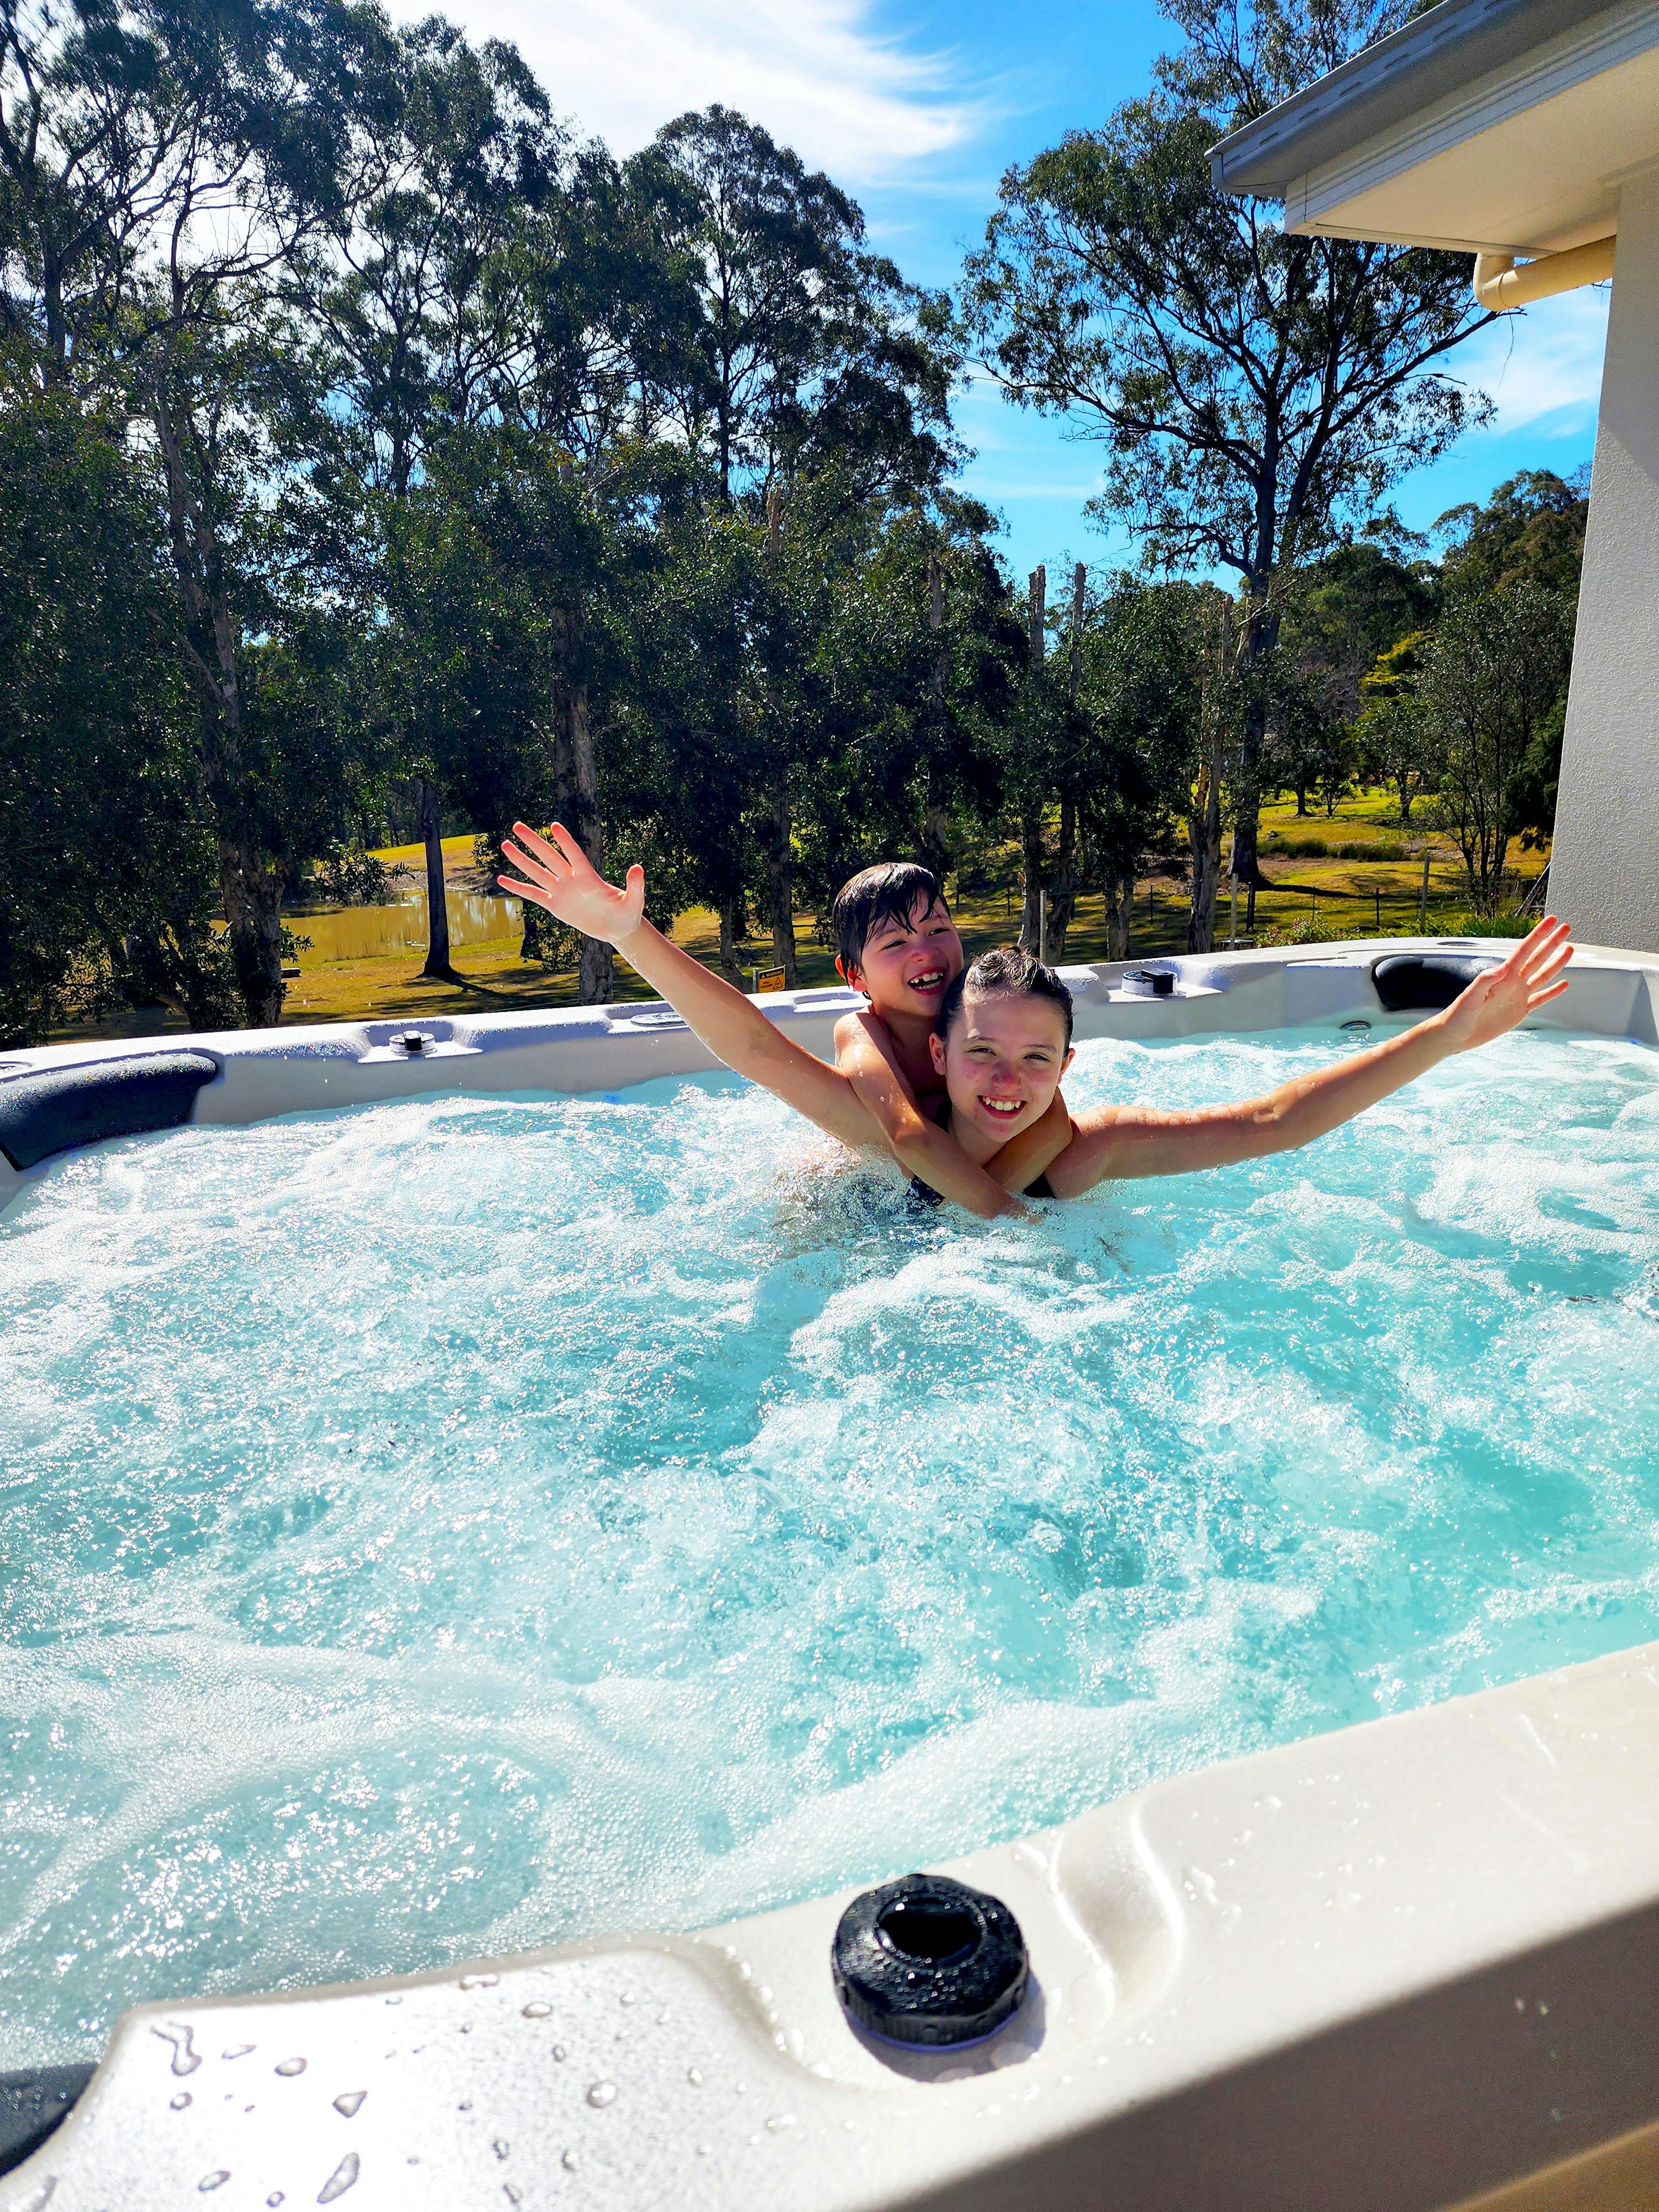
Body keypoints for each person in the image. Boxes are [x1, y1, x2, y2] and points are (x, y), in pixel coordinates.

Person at [496, 821, 1574, 1210]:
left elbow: (1273, 1119)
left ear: (1067, 1062)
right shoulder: (876, 1096)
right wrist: (629, 935)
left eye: (1033, 1058)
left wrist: (1445, 1035)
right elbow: (745, 1044)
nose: (1004, 1079)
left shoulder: (1074, 1145)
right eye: (980, 1054)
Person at [826, 861, 1072, 1215]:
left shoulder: (980, 1017)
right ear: (854, 974)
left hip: (948, 1185)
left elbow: (1053, 1124)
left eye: (937, 930)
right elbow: (908, 1133)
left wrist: (971, 1209)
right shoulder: (861, 1031)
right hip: (861, 1184)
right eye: (895, 942)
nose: (923, 952)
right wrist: (1005, 1213)